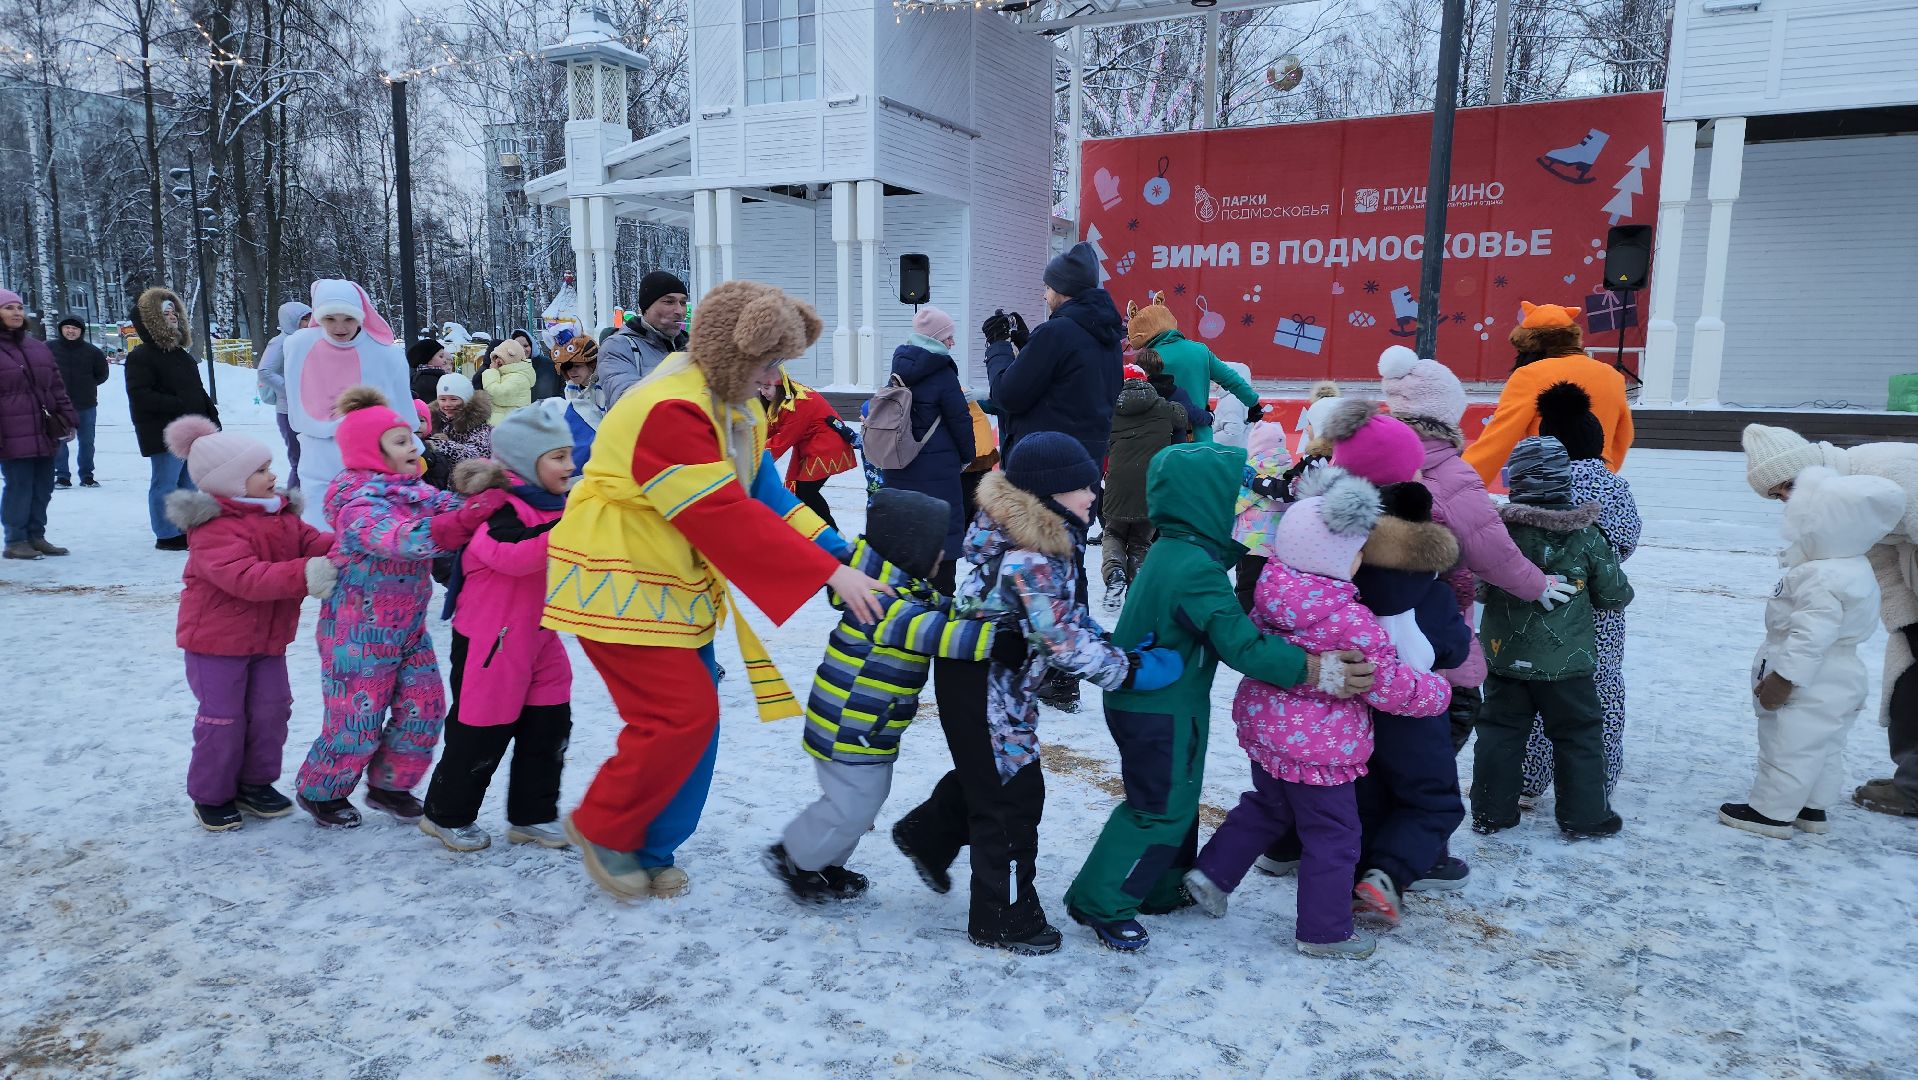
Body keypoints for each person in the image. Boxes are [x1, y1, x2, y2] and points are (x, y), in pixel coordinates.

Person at [544, 280, 887, 901]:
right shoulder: (671, 408)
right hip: (618, 576)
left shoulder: (732, 405)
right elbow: (721, 514)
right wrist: (828, 574)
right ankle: (604, 828)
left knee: (694, 724)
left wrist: (843, 552)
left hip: (672, 582)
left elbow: (767, 496)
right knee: (678, 716)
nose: (774, 379)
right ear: (735, 354)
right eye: (767, 362)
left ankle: (649, 845)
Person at [1064, 444, 1377, 952]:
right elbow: (1240, 644)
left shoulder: (1176, 551)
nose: (1247, 510)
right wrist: (1314, 669)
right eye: (1236, 499)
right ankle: (1100, 901)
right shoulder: (1194, 570)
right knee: (1158, 807)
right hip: (1159, 711)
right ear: (1205, 503)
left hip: (1160, 702)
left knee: (1178, 800)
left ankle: (1161, 886)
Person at [891, 432, 1176, 956]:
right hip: (987, 681)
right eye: (1083, 486)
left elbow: (1061, 618)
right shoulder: (1034, 555)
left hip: (985, 675)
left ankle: (928, 835)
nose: (1094, 494)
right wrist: (1128, 672)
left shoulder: (1027, 535)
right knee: (1013, 799)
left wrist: (1113, 645)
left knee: (995, 773)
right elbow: (1063, 643)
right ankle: (1004, 918)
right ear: (1049, 494)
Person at [1183, 469, 1451, 960]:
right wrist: (1435, 692)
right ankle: (1325, 931)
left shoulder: (1270, 588)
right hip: (1320, 747)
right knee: (1335, 835)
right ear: (1339, 557)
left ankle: (1212, 874)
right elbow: (1385, 684)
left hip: (1267, 728)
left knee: (1266, 805)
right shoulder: (1351, 620)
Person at [292, 387, 508, 829]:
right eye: (401, 441)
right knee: (358, 721)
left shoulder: (413, 491)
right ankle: (322, 790)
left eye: (413, 438)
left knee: (425, 709)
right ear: (371, 453)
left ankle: (390, 784)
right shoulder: (358, 505)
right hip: (356, 634)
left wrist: (492, 498)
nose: (415, 446)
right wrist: (460, 523)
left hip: (408, 629)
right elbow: (403, 539)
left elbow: (450, 507)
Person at [768, 488, 998, 901]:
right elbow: (937, 633)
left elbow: (941, 609)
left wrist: (974, 609)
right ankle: (795, 857)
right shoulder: (880, 605)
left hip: (870, 730)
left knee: (863, 803)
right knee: (851, 804)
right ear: (907, 550)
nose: (941, 559)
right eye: (935, 550)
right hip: (845, 728)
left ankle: (826, 864)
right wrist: (996, 639)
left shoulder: (908, 592)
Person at [1376, 345, 1571, 754]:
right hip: (1436, 639)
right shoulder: (1452, 473)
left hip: (1368, 636)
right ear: (1446, 414)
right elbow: (1492, 550)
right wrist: (1537, 585)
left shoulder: (1368, 461)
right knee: (1435, 747)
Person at [1323, 400, 1472, 921]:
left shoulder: (1324, 548)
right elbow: (1450, 644)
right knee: (1433, 799)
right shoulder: (1419, 571)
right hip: (1412, 702)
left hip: (1343, 699)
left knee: (1364, 788)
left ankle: (1352, 866)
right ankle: (1389, 873)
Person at [160, 415, 336, 831]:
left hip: (267, 640)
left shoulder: (281, 516)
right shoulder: (213, 528)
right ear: (230, 481)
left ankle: (254, 783)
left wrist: (357, 543)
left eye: (268, 466)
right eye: (259, 471)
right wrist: (306, 574)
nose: (272, 475)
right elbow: (244, 578)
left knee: (272, 711)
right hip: (216, 643)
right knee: (223, 718)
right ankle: (212, 794)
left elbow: (318, 543)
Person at [420, 401, 579, 852]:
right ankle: (445, 814)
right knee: (481, 728)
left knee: (550, 725)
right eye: (558, 456)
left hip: (540, 637)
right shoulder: (495, 508)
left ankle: (533, 814)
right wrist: (574, 527)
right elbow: (514, 555)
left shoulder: (558, 504)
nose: (571, 465)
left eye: (570, 454)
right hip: (492, 640)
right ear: (527, 464)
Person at [1742, 423, 1918, 818]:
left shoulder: (1891, 469)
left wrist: (1784, 676)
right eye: (1777, 496)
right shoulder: (1843, 524)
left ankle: (1773, 812)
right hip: (1895, 613)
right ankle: (1908, 780)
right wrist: (1906, 623)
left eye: (1789, 484)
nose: (1787, 499)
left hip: (1821, 673)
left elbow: (1812, 630)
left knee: (1794, 743)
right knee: (1907, 690)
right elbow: (1882, 568)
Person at [983, 242, 1126, 712]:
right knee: (1066, 563)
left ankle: (1055, 671)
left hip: (1043, 463)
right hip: (1084, 463)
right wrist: (1030, 344)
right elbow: (1069, 387)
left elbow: (1009, 394)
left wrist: (1000, 348)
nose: (1043, 293)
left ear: (1061, 290)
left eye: (1047, 286)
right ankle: (1065, 666)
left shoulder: (1060, 332)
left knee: (1039, 563)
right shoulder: (1104, 335)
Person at [1471, 436, 1634, 839]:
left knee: (1499, 731)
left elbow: (1479, 587)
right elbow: (1615, 595)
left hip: (1504, 655)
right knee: (1578, 733)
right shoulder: (1587, 534)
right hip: (1567, 662)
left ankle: (1492, 812)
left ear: (1517, 482)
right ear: (1565, 481)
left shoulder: (1499, 534)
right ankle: (1585, 815)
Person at [1524, 382, 1642, 802]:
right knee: (1603, 689)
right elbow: (1627, 539)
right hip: (1602, 611)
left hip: (1547, 604)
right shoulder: (1614, 485)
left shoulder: (1541, 483)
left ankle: (1529, 779)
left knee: (1543, 688)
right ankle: (1595, 786)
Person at [282, 281, 417, 529]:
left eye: (348, 318)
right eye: (330, 318)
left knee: (373, 521)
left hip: (372, 452)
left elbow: (402, 407)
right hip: (318, 451)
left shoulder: (386, 353)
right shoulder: (298, 345)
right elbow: (294, 391)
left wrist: (408, 443)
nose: (340, 327)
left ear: (361, 316)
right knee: (318, 522)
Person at [1462, 301, 1634, 486]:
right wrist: (1607, 472)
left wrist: (1462, 483)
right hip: (1599, 483)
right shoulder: (1612, 376)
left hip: (1547, 485)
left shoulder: (1530, 375)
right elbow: (1623, 435)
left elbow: (1498, 439)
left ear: (1529, 345)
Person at [882, 306, 975, 586]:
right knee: (941, 539)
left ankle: (908, 606)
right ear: (936, 338)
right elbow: (960, 419)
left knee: (909, 536)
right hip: (938, 468)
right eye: (948, 337)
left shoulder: (899, 368)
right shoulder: (943, 372)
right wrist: (967, 456)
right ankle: (941, 606)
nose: (952, 343)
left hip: (900, 464)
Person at [125, 286, 216, 551]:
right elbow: (141, 395)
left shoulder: (180, 354)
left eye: (174, 311)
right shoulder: (141, 356)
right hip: (163, 431)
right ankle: (166, 533)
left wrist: (210, 415)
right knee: (165, 482)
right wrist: (179, 406)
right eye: (165, 313)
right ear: (151, 319)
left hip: (191, 430)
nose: (173, 316)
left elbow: (197, 391)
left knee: (187, 482)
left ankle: (185, 527)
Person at [1098, 364, 1187, 610]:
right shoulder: (1162, 407)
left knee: (1113, 533)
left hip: (1117, 484)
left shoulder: (1111, 410)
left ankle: (1115, 572)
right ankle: (1137, 588)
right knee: (1140, 542)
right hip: (1151, 487)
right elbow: (1182, 415)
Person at [0, 291, 78, 560]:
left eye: (19, 307)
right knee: (19, 485)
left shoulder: (37, 347)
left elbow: (56, 386)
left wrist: (68, 418)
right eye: (8, 307)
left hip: (44, 429)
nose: (16, 313)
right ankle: (15, 539)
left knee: (43, 485)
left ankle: (36, 535)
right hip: (11, 431)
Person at [1124, 295, 1262, 442]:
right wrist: (1253, 403)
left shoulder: (1146, 360)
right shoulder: (1200, 351)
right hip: (1200, 437)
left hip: (1162, 442)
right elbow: (1231, 379)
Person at [764, 368, 860, 533]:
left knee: (806, 492)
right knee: (804, 493)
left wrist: (753, 459)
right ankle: (819, 531)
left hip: (826, 447)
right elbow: (771, 426)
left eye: (766, 387)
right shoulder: (786, 396)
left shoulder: (798, 405)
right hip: (813, 446)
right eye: (760, 386)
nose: (762, 391)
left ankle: (831, 532)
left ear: (779, 385)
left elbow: (781, 441)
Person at [597, 270, 689, 404]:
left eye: (683, 302)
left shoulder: (691, 347)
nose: (680, 311)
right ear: (646, 307)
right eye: (669, 302)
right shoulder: (618, 347)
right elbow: (627, 401)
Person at [1231, 422, 1292, 613]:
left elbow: (1237, 503)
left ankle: (1247, 623)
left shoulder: (1254, 470)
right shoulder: (1288, 468)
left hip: (1252, 544)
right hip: (1279, 544)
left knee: (1247, 586)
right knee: (1270, 588)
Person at [255, 302, 313, 491]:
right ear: (291, 321)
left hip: (305, 409)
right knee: (300, 462)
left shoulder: (303, 340)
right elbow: (265, 371)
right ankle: (294, 504)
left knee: (309, 461)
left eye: (309, 318)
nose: (309, 322)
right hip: (288, 410)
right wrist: (292, 391)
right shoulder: (281, 342)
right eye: (304, 319)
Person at [49, 317, 107, 489]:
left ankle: (87, 475)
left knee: (87, 442)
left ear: (81, 331)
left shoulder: (92, 352)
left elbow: (102, 374)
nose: (70, 331)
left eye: (75, 328)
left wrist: (87, 385)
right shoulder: (49, 348)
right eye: (67, 327)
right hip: (58, 404)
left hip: (86, 403)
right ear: (61, 329)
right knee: (59, 440)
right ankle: (62, 476)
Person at [421, 372, 493, 491]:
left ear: (466, 400)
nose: (447, 404)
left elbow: (475, 454)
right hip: (439, 488)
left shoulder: (479, 426)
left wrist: (442, 445)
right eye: (442, 399)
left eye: (453, 399)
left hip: (467, 488)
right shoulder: (434, 420)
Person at [553, 331, 606, 473]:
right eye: (567, 368)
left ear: (590, 364)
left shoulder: (603, 387)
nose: (572, 372)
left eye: (577, 366)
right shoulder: (571, 387)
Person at [1135, 348, 1205, 444]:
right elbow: (1193, 414)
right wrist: (1209, 417)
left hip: (1143, 449)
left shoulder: (1134, 394)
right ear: (1160, 367)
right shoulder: (1177, 393)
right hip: (1172, 451)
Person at [481, 337, 536, 425]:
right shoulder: (506, 374)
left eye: (500, 357)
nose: (497, 361)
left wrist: (492, 372)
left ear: (511, 357)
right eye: (495, 357)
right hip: (504, 426)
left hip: (509, 428)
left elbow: (497, 394)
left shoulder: (519, 377)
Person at [1210, 361, 1257, 448]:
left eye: (1218, 380)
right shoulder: (1237, 398)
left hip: (1227, 456)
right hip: (1235, 454)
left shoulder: (1231, 401)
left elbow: (1233, 435)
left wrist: (1208, 441)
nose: (1214, 385)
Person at [512, 328, 562, 402]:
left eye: (526, 346)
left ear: (532, 346)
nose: (522, 349)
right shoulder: (509, 368)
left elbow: (561, 388)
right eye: (518, 346)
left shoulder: (548, 365)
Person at [407, 337, 452, 408]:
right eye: (441, 356)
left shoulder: (420, 376)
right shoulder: (429, 379)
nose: (445, 360)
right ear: (428, 359)